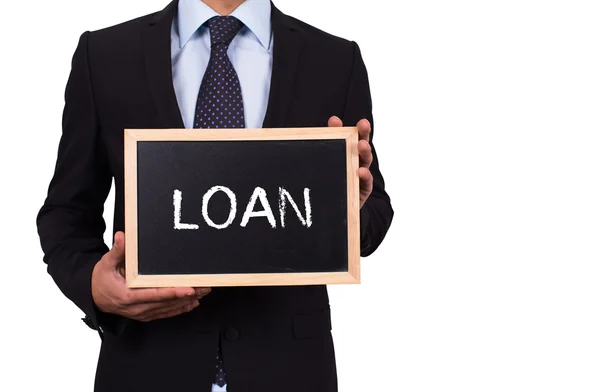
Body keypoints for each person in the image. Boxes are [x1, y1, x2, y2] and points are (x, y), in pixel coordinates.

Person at [36, 0, 393, 391]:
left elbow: (374, 211)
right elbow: (66, 213)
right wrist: (93, 286)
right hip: (146, 366)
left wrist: (345, 213)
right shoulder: (104, 55)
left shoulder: (334, 59)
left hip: (289, 369)